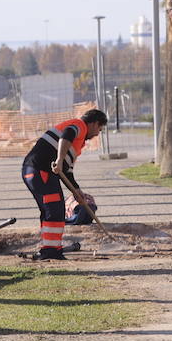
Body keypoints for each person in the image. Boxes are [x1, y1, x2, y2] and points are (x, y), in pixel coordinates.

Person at [21, 109, 107, 260]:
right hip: (39, 170)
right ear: (93, 124)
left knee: (53, 210)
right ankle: (51, 251)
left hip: (42, 172)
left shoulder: (77, 145)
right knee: (53, 210)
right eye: (99, 129)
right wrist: (60, 159)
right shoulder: (79, 125)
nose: (97, 134)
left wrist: (76, 191)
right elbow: (67, 134)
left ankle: (51, 249)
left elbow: (66, 172)